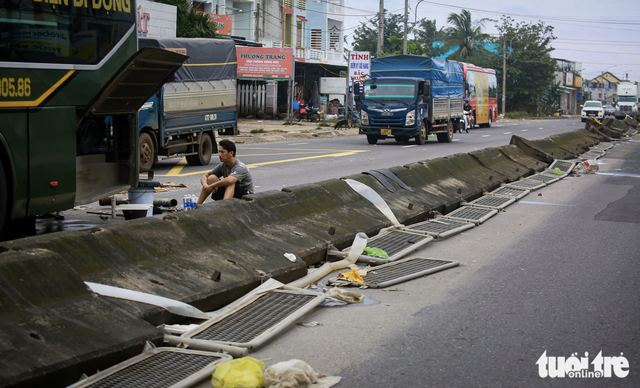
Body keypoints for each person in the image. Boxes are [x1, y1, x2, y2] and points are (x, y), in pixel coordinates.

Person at [196, 140, 255, 205]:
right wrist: (206, 186)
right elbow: (205, 176)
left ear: (231, 153)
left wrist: (212, 185)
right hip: (231, 193)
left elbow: (230, 181)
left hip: (246, 197)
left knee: (230, 182)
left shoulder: (240, 167)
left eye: (222, 152)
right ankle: (198, 205)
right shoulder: (223, 165)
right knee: (211, 178)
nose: (219, 155)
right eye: (219, 152)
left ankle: (225, 206)